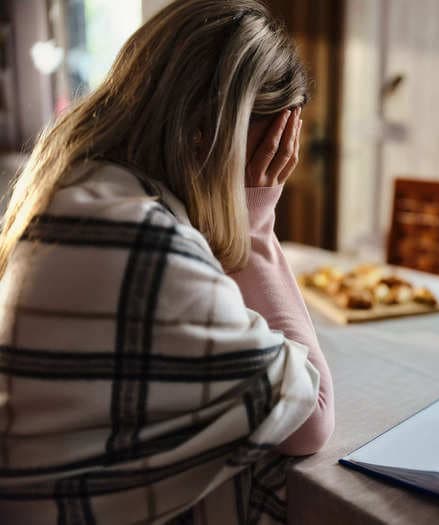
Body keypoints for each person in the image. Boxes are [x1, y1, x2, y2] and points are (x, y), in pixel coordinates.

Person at [0, 0, 334, 523]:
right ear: (212, 135)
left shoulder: (77, 190)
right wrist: (257, 229)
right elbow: (309, 417)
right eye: (268, 152)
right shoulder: (146, 242)